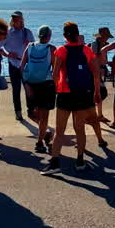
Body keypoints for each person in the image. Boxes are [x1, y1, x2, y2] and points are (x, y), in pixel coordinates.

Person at [41, 21, 100, 174]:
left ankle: (55, 163)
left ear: (65, 36)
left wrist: (53, 90)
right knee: (79, 129)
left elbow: (55, 74)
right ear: (77, 34)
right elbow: (96, 72)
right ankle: (80, 161)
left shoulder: (61, 50)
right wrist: (96, 91)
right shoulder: (86, 50)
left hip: (65, 94)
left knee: (60, 130)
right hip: (82, 94)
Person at [21, 25, 57, 153]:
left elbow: (21, 67)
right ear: (49, 36)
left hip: (30, 83)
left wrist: (26, 85)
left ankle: (43, 136)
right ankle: (41, 141)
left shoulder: (30, 46)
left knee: (32, 113)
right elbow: (55, 70)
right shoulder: (51, 49)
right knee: (44, 116)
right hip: (46, 84)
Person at [2, 11, 35, 120]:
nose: (16, 21)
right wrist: (8, 54)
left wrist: (29, 46)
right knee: (16, 90)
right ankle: (18, 112)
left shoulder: (27, 32)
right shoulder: (7, 33)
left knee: (28, 88)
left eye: (18, 19)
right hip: (13, 64)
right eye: (14, 19)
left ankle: (30, 110)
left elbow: (34, 48)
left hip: (25, 65)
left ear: (22, 20)